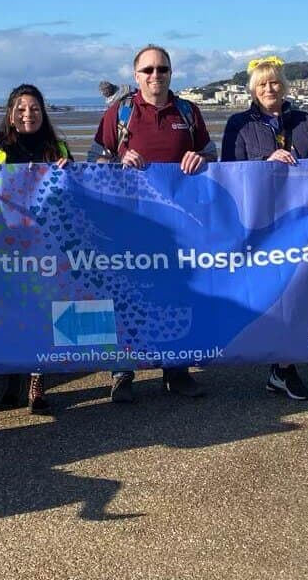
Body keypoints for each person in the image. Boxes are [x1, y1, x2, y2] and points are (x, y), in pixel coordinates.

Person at [89, 44, 217, 403]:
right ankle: (122, 372)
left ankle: (176, 371)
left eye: (162, 69)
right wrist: (117, 156)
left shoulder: (188, 111)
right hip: (130, 222)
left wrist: (201, 156)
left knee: (176, 294)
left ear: (171, 73)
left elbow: (211, 152)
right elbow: (94, 161)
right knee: (126, 294)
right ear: (135, 75)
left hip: (178, 226)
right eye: (148, 70)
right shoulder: (121, 111)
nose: (155, 75)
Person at [219, 56, 308, 400]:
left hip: (300, 225)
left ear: (285, 86)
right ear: (253, 89)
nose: (270, 88)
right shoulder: (238, 124)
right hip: (262, 224)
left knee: (298, 291)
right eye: (263, 84)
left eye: (276, 82)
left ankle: (283, 369)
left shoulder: (306, 121)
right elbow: (229, 172)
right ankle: (277, 365)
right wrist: (264, 163)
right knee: (271, 294)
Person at [0, 83, 74, 413]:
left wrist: (70, 173)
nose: (27, 114)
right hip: (6, 243)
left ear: (42, 112)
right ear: (10, 113)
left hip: (46, 245)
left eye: (34, 108)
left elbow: (75, 195)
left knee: (41, 311)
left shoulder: (56, 147)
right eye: (21, 109)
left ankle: (37, 381)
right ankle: (12, 378)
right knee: (12, 310)